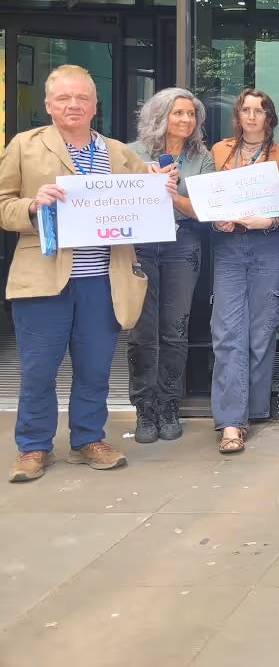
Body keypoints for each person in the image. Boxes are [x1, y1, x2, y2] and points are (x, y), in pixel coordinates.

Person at [0, 65, 176, 482]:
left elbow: (147, 201)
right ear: (48, 105)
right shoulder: (23, 146)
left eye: (81, 98)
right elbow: (3, 204)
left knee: (95, 366)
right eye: (64, 98)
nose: (73, 105)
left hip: (104, 279)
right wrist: (31, 205)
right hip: (43, 279)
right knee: (39, 368)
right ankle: (33, 446)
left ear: (95, 105)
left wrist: (160, 186)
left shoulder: (118, 153)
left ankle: (89, 439)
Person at [209, 89, 279, 454]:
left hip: (270, 244)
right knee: (228, 332)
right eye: (245, 110)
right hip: (229, 247)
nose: (251, 116)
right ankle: (231, 422)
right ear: (238, 116)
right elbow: (209, 199)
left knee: (260, 334)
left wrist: (269, 220)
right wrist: (218, 222)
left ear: (269, 118)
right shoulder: (219, 151)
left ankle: (254, 409)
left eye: (259, 110)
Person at [126, 87, 214, 443]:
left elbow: (204, 210)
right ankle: (144, 410)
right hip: (142, 247)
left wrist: (171, 195)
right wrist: (144, 185)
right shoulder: (130, 153)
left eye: (191, 114)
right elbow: (118, 201)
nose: (186, 120)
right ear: (159, 116)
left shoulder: (202, 157)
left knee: (175, 330)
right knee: (142, 331)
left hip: (184, 246)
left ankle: (169, 407)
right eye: (178, 113)